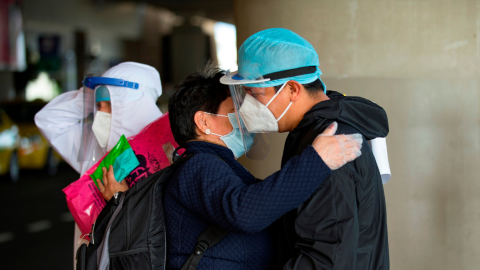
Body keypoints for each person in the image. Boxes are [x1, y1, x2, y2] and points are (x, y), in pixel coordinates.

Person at [154, 62, 363, 270]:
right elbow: (245, 213)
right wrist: (316, 161)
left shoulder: (219, 166)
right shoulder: (197, 166)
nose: (245, 116)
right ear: (203, 122)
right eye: (233, 109)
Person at [220, 28, 390, 269]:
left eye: (255, 94)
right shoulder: (311, 129)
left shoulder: (331, 144)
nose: (247, 105)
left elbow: (326, 261)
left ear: (292, 89)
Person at [34, 61, 163, 266]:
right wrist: (91, 94)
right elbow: (49, 119)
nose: (100, 115)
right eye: (98, 106)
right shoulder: (94, 148)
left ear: (135, 104)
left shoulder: (167, 152)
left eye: (110, 105)